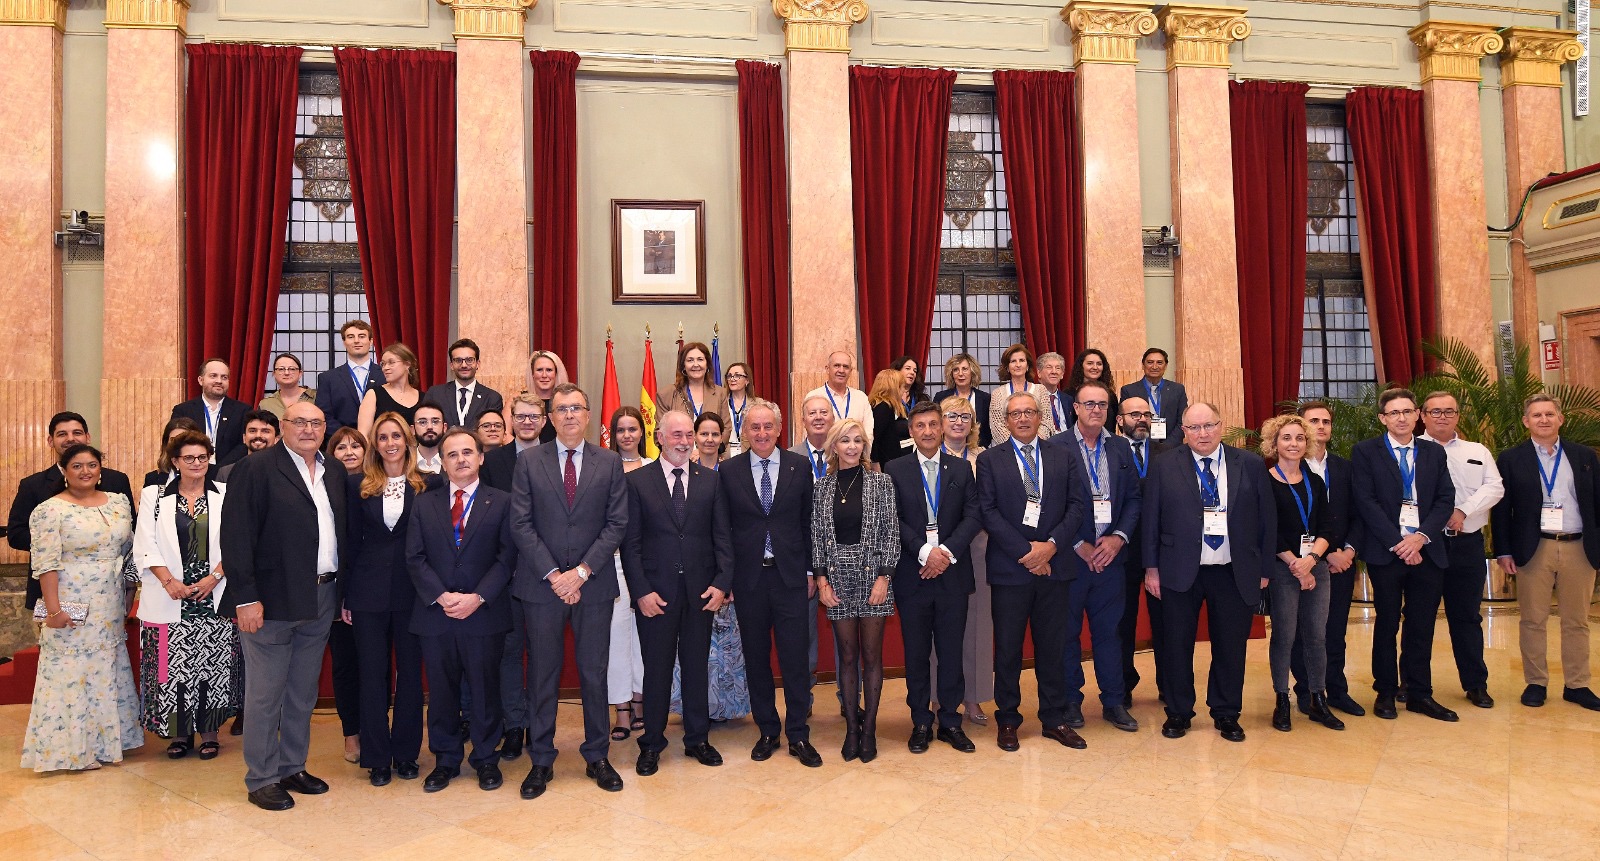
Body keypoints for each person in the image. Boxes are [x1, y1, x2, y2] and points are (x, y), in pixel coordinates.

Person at [220, 401, 347, 811]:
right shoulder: (255, 469)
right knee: (265, 694)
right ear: (283, 427)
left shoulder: (335, 471)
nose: (308, 429)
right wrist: (247, 597)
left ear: (325, 428)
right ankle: (261, 777)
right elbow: (236, 538)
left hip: (321, 595)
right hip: (270, 601)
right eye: (299, 422)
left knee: (302, 692)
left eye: (316, 422)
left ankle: (293, 765)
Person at [509, 383, 629, 798]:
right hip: (542, 587)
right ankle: (541, 759)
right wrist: (554, 575)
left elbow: (616, 523)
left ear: (589, 414)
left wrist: (579, 573)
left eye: (576, 407)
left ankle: (597, 755)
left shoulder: (610, 462)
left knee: (594, 674)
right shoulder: (529, 462)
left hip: (593, 585)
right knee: (543, 674)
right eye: (561, 409)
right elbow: (520, 524)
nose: (569, 415)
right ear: (550, 418)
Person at [1142, 402, 1275, 743]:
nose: (1203, 434)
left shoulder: (1250, 464)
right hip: (1178, 569)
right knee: (1175, 644)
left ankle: (1227, 713)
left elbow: (1266, 520)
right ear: (1183, 431)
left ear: (1221, 425)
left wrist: (1263, 569)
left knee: (1230, 646)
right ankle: (1178, 712)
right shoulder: (1164, 464)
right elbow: (1151, 519)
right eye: (1194, 428)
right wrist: (1151, 568)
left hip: (1234, 569)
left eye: (1209, 426)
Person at [621, 410, 736, 776]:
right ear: (659, 436)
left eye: (689, 434)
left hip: (701, 593)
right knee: (656, 670)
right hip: (655, 595)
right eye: (677, 435)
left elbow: (723, 539)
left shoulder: (711, 481)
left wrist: (721, 584)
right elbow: (631, 544)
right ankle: (652, 743)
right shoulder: (638, 481)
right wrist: (640, 592)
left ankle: (698, 739)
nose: (685, 441)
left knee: (696, 667)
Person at [20, 443, 143, 772]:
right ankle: (71, 749)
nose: (85, 471)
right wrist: (54, 610)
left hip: (110, 602)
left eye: (91, 465)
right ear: (64, 471)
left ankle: (107, 742)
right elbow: (45, 565)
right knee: (72, 671)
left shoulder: (117, 502)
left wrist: (129, 593)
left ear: (100, 469)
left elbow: (131, 550)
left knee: (106, 668)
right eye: (77, 466)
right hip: (70, 600)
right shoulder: (49, 511)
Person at [408, 428, 518, 792]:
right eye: (452, 454)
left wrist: (478, 597)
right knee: (441, 692)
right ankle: (445, 759)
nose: (461, 460)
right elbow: (415, 557)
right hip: (436, 615)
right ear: (442, 461)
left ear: (481, 457)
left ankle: (486, 759)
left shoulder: (502, 501)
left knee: (486, 690)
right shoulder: (424, 502)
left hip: (484, 613)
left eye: (468, 452)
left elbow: (507, 558)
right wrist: (441, 596)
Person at [977, 392, 1089, 751]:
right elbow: (988, 511)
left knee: (1052, 648)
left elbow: (1076, 505)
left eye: (1029, 412)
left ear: (1040, 417)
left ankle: (1054, 719)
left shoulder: (1063, 455)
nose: (1023, 418)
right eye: (1015, 414)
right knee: (1008, 649)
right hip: (1011, 569)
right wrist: (1027, 552)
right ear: (1005, 421)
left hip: (1055, 567)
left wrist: (1051, 546)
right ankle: (1008, 720)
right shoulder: (990, 460)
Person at [1351, 388, 1459, 722]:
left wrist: (1420, 538)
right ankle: (1384, 692)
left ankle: (1418, 693)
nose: (1401, 418)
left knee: (1421, 624)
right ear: (1383, 418)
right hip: (1387, 552)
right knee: (1386, 624)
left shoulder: (1433, 452)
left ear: (1417, 416)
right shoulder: (1365, 452)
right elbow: (1365, 502)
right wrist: (1400, 543)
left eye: (1407, 412)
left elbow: (1445, 498)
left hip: (1427, 551)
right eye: (1393, 413)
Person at [727, 399, 823, 767]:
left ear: (780, 429)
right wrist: (727, 578)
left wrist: (812, 572)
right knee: (756, 658)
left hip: (791, 578)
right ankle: (767, 730)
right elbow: (725, 530)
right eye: (755, 427)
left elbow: (808, 523)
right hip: (749, 580)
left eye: (768, 427)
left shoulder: (799, 467)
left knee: (796, 659)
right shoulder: (729, 470)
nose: (762, 433)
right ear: (745, 431)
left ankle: (798, 733)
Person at [133, 431, 239, 760]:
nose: (197, 463)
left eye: (203, 457)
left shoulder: (225, 493)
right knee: (170, 669)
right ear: (176, 462)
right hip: (168, 596)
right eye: (189, 458)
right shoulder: (154, 495)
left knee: (212, 667)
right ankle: (179, 734)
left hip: (213, 594)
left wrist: (215, 576)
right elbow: (144, 543)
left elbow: (239, 542)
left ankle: (209, 733)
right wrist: (169, 582)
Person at [1493, 394, 1600, 712]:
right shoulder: (1511, 458)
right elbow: (1502, 510)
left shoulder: (1584, 456)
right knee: (1533, 620)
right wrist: (1503, 551)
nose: (1543, 419)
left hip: (1578, 547)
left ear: (1560, 419)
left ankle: (1577, 684)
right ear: (1526, 421)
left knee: (1577, 621)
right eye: (1536, 415)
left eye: (1549, 414)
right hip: (1533, 547)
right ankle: (1536, 682)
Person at [343, 413, 433, 786]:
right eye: (383, 437)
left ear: (408, 439)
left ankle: (407, 754)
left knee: (411, 676)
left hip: (414, 592)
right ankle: (377, 757)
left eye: (397, 435)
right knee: (372, 675)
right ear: (374, 444)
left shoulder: (429, 484)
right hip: (367, 592)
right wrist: (345, 595)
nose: (391, 443)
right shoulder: (356, 485)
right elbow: (348, 541)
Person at [886, 401, 981, 753]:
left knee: (951, 651)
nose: (927, 431)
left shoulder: (960, 468)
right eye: (919, 426)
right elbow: (892, 520)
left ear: (942, 428)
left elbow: (973, 516)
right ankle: (920, 721)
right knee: (916, 653)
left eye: (932, 424)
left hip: (952, 574)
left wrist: (946, 554)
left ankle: (951, 722)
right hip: (913, 574)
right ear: (911, 432)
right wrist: (925, 552)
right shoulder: (894, 470)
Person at [1054, 380, 1140, 733]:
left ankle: (1114, 701)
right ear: (1075, 408)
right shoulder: (1055, 446)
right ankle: (1071, 701)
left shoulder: (1121, 448)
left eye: (1102, 405)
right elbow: (1051, 504)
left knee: (1110, 633)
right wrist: (1077, 543)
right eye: (1088, 404)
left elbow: (1134, 499)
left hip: (1111, 558)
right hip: (1071, 560)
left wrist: (1118, 539)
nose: (1095, 410)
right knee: (1068, 633)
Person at [811, 417, 899, 763]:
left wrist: (884, 577)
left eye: (857, 441)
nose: (851, 446)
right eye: (845, 440)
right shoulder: (822, 487)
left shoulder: (882, 483)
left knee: (872, 657)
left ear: (865, 446)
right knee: (846, 658)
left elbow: (891, 532)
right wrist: (821, 582)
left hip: (872, 576)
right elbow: (817, 538)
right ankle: (851, 728)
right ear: (834, 445)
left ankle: (871, 731)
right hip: (837, 580)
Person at [1417, 391, 1503, 710]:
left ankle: (1475, 683)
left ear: (1458, 415)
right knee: (1419, 618)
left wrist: (1463, 511)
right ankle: (1414, 684)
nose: (1442, 416)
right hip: (1426, 544)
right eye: (1435, 411)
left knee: (1467, 617)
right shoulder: (1412, 452)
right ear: (1422, 416)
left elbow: (1495, 487)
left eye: (1449, 411)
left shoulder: (1476, 450)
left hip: (1466, 544)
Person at [1258, 415, 1344, 732]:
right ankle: (1282, 699)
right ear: (1274, 443)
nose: (1294, 444)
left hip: (1316, 568)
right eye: (1287, 438)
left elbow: (1328, 526)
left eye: (1299, 438)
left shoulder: (1315, 483)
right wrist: (1296, 563)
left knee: (1317, 637)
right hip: (1283, 570)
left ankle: (1317, 699)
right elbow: (1269, 531)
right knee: (1285, 635)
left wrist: (1311, 560)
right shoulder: (1265, 481)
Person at [9, 411, 136, 611]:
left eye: (77, 432)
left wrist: (130, 587)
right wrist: (70, 543)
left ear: (87, 437)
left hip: (110, 591)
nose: (71, 439)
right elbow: (16, 535)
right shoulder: (33, 485)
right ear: (50, 441)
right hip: (55, 590)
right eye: (62, 434)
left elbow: (131, 532)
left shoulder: (116, 481)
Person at [1289, 402, 1365, 717]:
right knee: (1304, 632)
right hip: (1304, 563)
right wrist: (1325, 552)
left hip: (1342, 563)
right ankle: (1307, 691)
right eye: (1314, 421)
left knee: (1334, 631)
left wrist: (1347, 551)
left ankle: (1336, 690)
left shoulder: (1345, 468)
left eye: (1326, 421)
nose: (1321, 426)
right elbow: (1287, 521)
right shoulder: (1289, 467)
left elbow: (1360, 514)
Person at [936, 395, 992, 724]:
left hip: (977, 546)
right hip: (935, 552)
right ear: (939, 421)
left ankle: (973, 698)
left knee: (977, 626)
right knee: (936, 627)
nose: (959, 421)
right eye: (952, 415)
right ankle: (936, 697)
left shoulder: (983, 458)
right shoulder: (924, 455)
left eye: (965, 416)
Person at [1115, 396, 1169, 707]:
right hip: (1122, 550)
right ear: (1120, 420)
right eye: (1135, 414)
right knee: (1123, 622)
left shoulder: (1169, 453)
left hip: (1161, 552)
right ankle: (1122, 685)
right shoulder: (1109, 452)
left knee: (1165, 622)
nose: (1143, 419)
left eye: (1147, 414)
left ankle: (1167, 684)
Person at [602, 406, 648, 743]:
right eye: (621, 430)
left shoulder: (653, 468)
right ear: (612, 434)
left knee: (645, 636)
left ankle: (642, 703)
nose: (627, 435)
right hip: (614, 562)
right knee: (617, 639)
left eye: (633, 429)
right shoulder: (602, 468)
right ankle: (620, 708)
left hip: (648, 564)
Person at [788, 394, 834, 710]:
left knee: (849, 633)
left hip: (843, 559)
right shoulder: (789, 458)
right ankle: (803, 696)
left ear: (832, 418)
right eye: (811, 413)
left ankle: (850, 697)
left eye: (823, 412)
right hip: (803, 558)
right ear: (802, 419)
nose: (818, 417)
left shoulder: (847, 453)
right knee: (801, 635)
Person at [172, 358, 249, 465]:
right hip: (193, 470)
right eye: (213, 376)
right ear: (200, 380)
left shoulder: (243, 411)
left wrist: (220, 470)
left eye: (224, 377)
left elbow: (244, 445)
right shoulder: (183, 411)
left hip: (229, 472)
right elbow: (176, 444)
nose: (219, 381)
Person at [425, 338, 506, 432]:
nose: (464, 365)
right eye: (458, 360)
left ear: (477, 364)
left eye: (469, 360)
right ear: (451, 365)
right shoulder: (435, 394)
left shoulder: (492, 398)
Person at [316, 319, 378, 437]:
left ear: (371, 341)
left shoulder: (385, 375)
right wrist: (347, 437)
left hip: (380, 443)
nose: (356, 341)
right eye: (350, 337)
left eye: (362, 336)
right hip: (341, 443)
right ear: (344, 342)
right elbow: (323, 415)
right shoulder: (328, 378)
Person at [1119, 347, 1188, 444]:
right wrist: (1143, 444)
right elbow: (1124, 422)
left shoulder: (1177, 389)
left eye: (1159, 363)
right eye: (1150, 362)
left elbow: (1183, 421)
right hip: (1140, 446)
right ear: (1143, 365)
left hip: (1172, 448)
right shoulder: (1129, 390)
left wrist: (1166, 446)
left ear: (1166, 365)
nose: (1154, 367)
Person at [988, 344, 1051, 446]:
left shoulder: (1041, 390)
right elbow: (997, 426)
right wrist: (1017, 445)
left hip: (1037, 447)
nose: (1018, 365)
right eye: (1013, 361)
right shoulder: (997, 394)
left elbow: (1046, 422)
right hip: (1008, 451)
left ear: (1028, 365)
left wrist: (1032, 444)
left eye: (1022, 360)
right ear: (1007, 367)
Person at [357, 343, 424, 438]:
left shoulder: (423, 397)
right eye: (383, 364)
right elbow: (363, 435)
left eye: (391, 362)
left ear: (407, 364)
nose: (385, 368)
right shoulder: (374, 394)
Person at [483, 393, 546, 494]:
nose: (527, 422)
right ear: (511, 420)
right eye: (520, 417)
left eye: (534, 417)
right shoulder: (490, 461)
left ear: (543, 421)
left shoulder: (556, 458)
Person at [804, 350, 874, 439]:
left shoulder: (861, 397)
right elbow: (809, 431)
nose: (841, 370)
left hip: (855, 452)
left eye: (846, 367)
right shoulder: (814, 397)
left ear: (851, 371)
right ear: (827, 369)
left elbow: (868, 433)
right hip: (825, 452)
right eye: (837, 366)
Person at [932, 353, 992, 448]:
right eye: (956, 370)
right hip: (947, 450)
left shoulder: (985, 399)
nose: (960, 374)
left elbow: (988, 431)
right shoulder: (941, 397)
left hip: (977, 450)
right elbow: (936, 425)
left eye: (965, 369)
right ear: (951, 374)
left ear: (972, 372)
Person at [668, 341, 728, 424]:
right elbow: (660, 431)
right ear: (683, 366)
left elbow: (726, 427)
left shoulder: (721, 393)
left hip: (711, 437)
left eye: (700, 359)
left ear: (707, 364)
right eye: (690, 360)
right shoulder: (667, 394)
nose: (696, 364)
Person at [868, 368, 915, 466]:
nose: (904, 391)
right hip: (887, 465)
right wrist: (876, 465)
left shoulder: (886, 406)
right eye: (903, 387)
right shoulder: (883, 407)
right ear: (894, 388)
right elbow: (875, 439)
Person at [143, 417, 207, 488]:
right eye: (173, 440)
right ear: (166, 444)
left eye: (184, 440)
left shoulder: (216, 475)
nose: (178, 445)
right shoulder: (153, 478)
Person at [217, 410, 279, 482]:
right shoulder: (226, 473)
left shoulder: (288, 472)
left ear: (276, 439)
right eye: (252, 431)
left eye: (265, 431)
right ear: (244, 438)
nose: (258, 435)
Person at [1065, 348, 1119, 431]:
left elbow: (1112, 425)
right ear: (1081, 366)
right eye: (1090, 363)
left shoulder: (1110, 395)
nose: (1095, 367)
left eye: (1099, 364)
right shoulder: (1069, 395)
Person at [525, 349, 570, 445]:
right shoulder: (518, 401)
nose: (544, 375)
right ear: (532, 374)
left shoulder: (567, 402)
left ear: (556, 373)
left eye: (549, 370)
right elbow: (505, 434)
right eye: (539, 370)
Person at [260, 352, 316, 419]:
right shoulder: (266, 404)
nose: (286, 373)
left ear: (300, 373)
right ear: (274, 374)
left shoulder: (316, 397)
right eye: (281, 369)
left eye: (292, 369)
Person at [722, 361, 754, 459]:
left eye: (737, 376)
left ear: (747, 380)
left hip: (749, 452)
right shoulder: (720, 402)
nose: (732, 379)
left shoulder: (757, 404)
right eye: (729, 376)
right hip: (724, 452)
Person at [1035, 352, 1070, 438]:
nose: (1054, 372)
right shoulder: (1031, 397)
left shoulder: (1069, 399)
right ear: (1039, 372)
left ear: (1062, 374)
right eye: (1049, 367)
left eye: (1058, 368)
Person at [411, 402, 448, 475]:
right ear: (412, 429)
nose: (429, 427)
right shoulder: (404, 463)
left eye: (435, 421)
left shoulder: (454, 461)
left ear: (445, 427)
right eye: (422, 422)